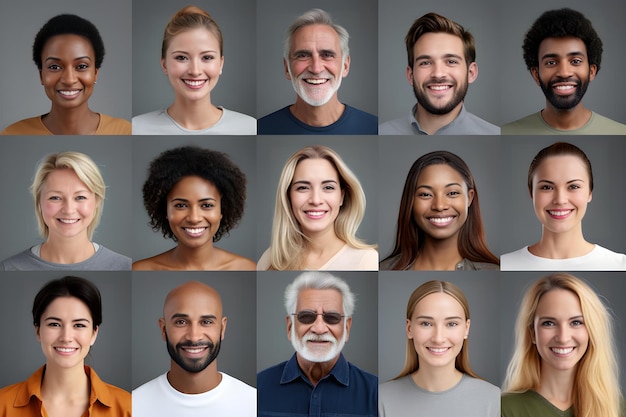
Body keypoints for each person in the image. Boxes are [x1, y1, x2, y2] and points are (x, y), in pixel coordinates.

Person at [0, 276, 131, 416]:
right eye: (54, 324)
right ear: (38, 331)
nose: (66, 337)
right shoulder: (2, 404)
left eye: (79, 325)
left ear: (94, 333)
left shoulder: (127, 406)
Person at [502, 273, 624, 417]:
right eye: (549, 323)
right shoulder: (504, 409)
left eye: (576, 322)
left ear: (592, 330)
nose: (563, 338)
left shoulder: (617, 408)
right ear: (533, 334)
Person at [257, 271, 377, 416]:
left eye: (332, 317)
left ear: (346, 328)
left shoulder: (375, 393)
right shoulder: (258, 389)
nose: (319, 329)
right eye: (306, 316)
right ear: (290, 327)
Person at [133, 281, 256, 416]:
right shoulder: (135, 404)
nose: (194, 337)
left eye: (206, 322)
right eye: (181, 322)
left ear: (222, 328)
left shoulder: (253, 403)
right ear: (163, 329)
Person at [379, 280, 499, 416]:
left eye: (452, 324)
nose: (438, 338)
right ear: (409, 328)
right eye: (426, 323)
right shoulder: (380, 399)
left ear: (466, 328)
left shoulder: (494, 400)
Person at [501, 142, 626, 270]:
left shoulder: (620, 265)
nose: (560, 200)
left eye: (573, 187)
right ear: (531, 193)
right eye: (547, 187)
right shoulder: (504, 264)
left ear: (589, 192)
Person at [132, 5, 256, 135]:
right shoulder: (137, 127)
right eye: (181, 57)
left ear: (220, 64)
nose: (195, 71)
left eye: (207, 57)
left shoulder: (250, 127)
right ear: (164, 64)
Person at [1, 14, 131, 135]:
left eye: (81, 66)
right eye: (54, 67)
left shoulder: (125, 130)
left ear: (95, 73)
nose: (69, 80)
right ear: (41, 76)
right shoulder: (12, 133)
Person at [502, 8, 626, 135]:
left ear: (591, 71)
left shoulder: (621, 132)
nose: (564, 73)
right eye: (551, 62)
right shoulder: (506, 132)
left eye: (576, 61)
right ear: (536, 75)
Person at [1, 151, 131, 270]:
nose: (69, 210)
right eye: (55, 198)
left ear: (97, 201)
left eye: (80, 197)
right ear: (39, 202)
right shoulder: (9, 268)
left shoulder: (124, 266)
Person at [133, 146, 255, 270]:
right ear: (165, 211)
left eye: (207, 205)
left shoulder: (248, 267)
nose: (194, 218)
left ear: (222, 210)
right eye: (181, 205)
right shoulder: (141, 269)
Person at [257, 8, 377, 134]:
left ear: (345, 66)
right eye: (303, 55)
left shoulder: (372, 127)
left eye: (327, 54)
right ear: (287, 68)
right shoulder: (261, 128)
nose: (316, 68)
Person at [257, 145, 377, 270]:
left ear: (341, 196)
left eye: (328, 187)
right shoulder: (270, 258)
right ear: (288, 196)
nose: (315, 200)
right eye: (303, 188)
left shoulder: (367, 261)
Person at [379, 13, 499, 135]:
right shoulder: (382, 132)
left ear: (471, 73)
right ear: (410, 75)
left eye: (451, 61)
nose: (438, 74)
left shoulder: (494, 133)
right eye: (425, 62)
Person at [380, 150, 498, 270]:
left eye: (452, 193)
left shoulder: (494, 270)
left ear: (469, 197)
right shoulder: (383, 268)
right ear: (411, 200)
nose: (439, 206)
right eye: (426, 194)